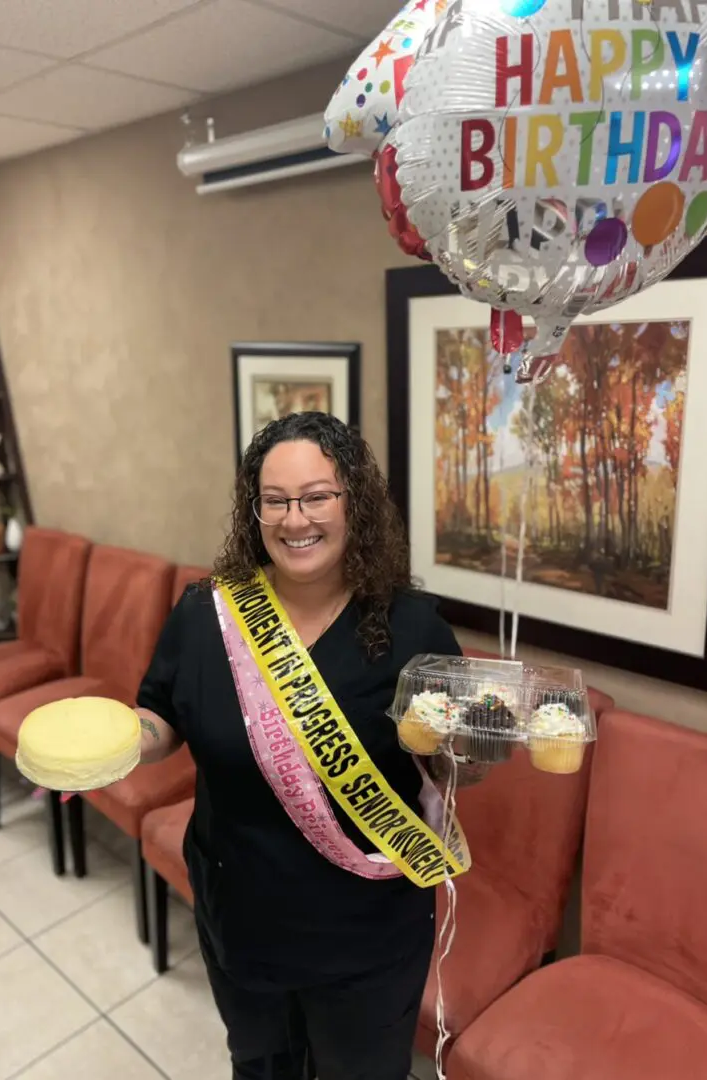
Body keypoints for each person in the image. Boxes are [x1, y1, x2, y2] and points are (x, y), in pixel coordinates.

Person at [134, 412, 462, 1080]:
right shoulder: (206, 614)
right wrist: (114, 741)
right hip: (241, 918)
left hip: (366, 938)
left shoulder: (413, 629)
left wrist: (481, 753)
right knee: (260, 1068)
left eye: (316, 496)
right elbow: (162, 715)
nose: (294, 520)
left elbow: (455, 771)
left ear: (354, 504)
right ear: (253, 511)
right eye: (275, 501)